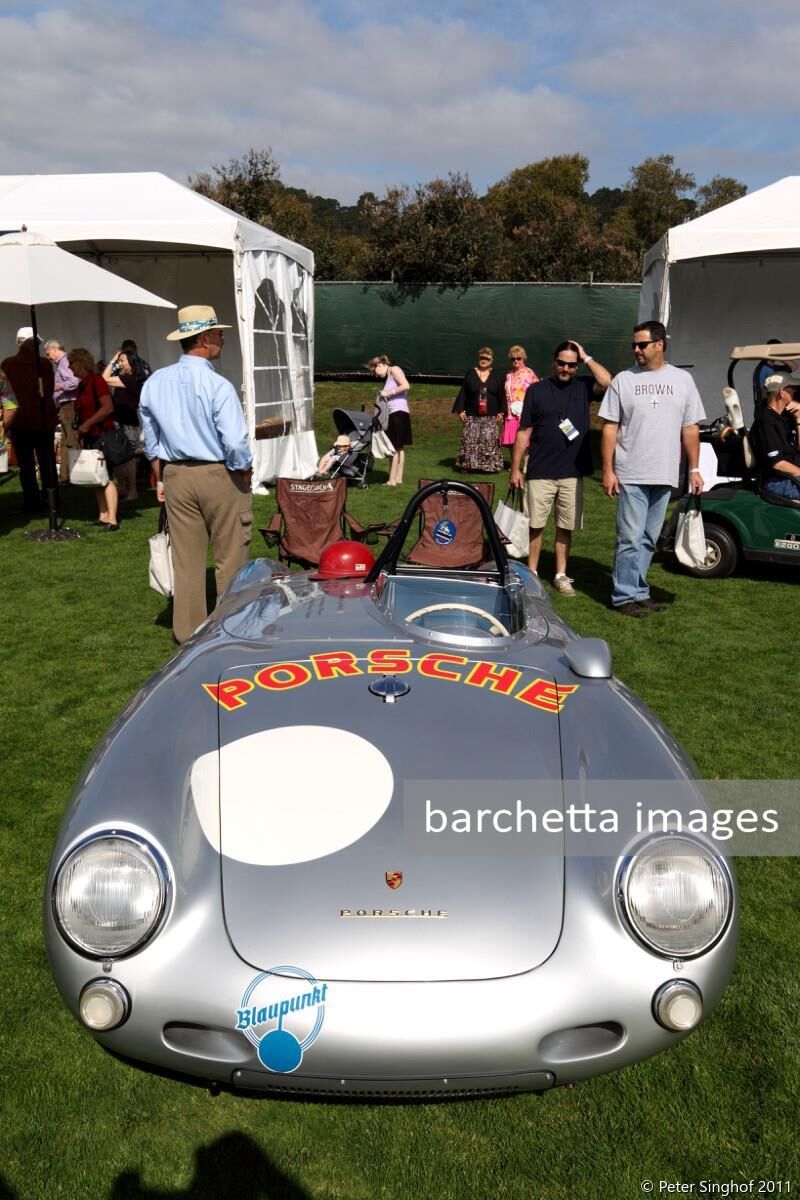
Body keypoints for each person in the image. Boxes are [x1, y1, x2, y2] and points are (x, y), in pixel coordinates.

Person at [139, 304, 253, 644]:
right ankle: (230, 630)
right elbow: (235, 441)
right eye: (218, 333)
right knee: (231, 557)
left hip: (176, 474)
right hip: (219, 474)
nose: (222, 339)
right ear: (204, 339)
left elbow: (151, 441)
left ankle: (187, 635)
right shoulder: (218, 385)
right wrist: (245, 469)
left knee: (186, 561)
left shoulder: (155, 382)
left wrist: (161, 478)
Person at [599, 321, 705, 617]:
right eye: (634, 345)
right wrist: (608, 469)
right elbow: (609, 427)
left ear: (659, 345)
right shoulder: (623, 380)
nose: (636, 349)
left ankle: (639, 591)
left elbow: (690, 428)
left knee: (648, 539)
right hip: (631, 472)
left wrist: (694, 469)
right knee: (629, 538)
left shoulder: (683, 380)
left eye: (642, 344)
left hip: (665, 472)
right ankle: (623, 597)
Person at [510, 340, 611, 595]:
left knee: (566, 526)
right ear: (553, 362)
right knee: (535, 525)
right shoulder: (536, 390)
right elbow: (524, 431)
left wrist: (586, 356)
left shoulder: (584, 387)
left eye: (571, 365)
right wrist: (515, 468)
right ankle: (532, 573)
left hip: (572, 471)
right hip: (540, 469)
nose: (566, 368)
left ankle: (561, 575)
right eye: (562, 363)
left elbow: (607, 381)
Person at [1, 327, 56, 513]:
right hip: (41, 420)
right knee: (46, 463)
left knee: (26, 465)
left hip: (21, 422)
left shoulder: (8, 364)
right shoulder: (44, 365)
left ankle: (32, 502)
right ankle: (50, 500)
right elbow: (48, 391)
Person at [69, 347, 120, 530]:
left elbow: (108, 407)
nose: (69, 367)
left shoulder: (97, 381)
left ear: (80, 363)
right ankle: (103, 515)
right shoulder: (82, 385)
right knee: (96, 476)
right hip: (90, 436)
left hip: (102, 435)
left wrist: (88, 423)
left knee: (107, 477)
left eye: (71, 363)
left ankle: (112, 519)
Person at [103, 349, 148, 501]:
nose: (120, 364)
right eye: (119, 361)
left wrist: (112, 361)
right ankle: (123, 487)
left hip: (128, 422)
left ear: (132, 363)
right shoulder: (128, 378)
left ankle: (132, 490)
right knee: (118, 456)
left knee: (128, 457)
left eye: (123, 361)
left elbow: (104, 379)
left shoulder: (129, 379)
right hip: (121, 421)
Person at [453, 347, 506, 473]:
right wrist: (461, 410)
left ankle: (489, 467)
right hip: (472, 414)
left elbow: (501, 395)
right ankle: (467, 466)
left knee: (488, 441)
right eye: (482, 357)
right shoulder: (470, 374)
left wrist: (502, 412)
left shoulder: (497, 376)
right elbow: (463, 393)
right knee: (469, 441)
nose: (484, 360)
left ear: (491, 360)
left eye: (487, 358)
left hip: (491, 415)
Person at [749, 370, 800, 500]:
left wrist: (799, 419)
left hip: (792, 476)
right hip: (777, 480)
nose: (795, 391)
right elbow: (777, 464)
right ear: (781, 392)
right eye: (792, 388)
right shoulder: (765, 422)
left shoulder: (786, 418)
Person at [368, 355, 412, 486]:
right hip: (398, 413)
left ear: (379, 365)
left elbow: (406, 385)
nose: (376, 375)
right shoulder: (389, 376)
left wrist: (388, 393)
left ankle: (391, 480)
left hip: (397, 413)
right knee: (399, 447)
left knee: (393, 447)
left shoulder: (394, 370)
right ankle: (398, 479)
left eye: (374, 371)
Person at [44, 339, 81, 483]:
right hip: (65, 405)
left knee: (71, 439)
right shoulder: (62, 363)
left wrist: (55, 387)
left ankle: (75, 473)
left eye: (48, 354)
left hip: (68, 405)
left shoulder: (64, 362)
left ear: (54, 349)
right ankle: (65, 475)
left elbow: (74, 381)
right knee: (66, 441)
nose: (48, 357)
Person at [502, 345, 538, 454]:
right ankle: (514, 463)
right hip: (510, 414)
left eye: (519, 358)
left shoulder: (529, 372)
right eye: (513, 359)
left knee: (526, 442)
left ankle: (527, 463)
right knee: (511, 442)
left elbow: (537, 391)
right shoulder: (509, 375)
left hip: (524, 412)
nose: (516, 361)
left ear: (523, 358)